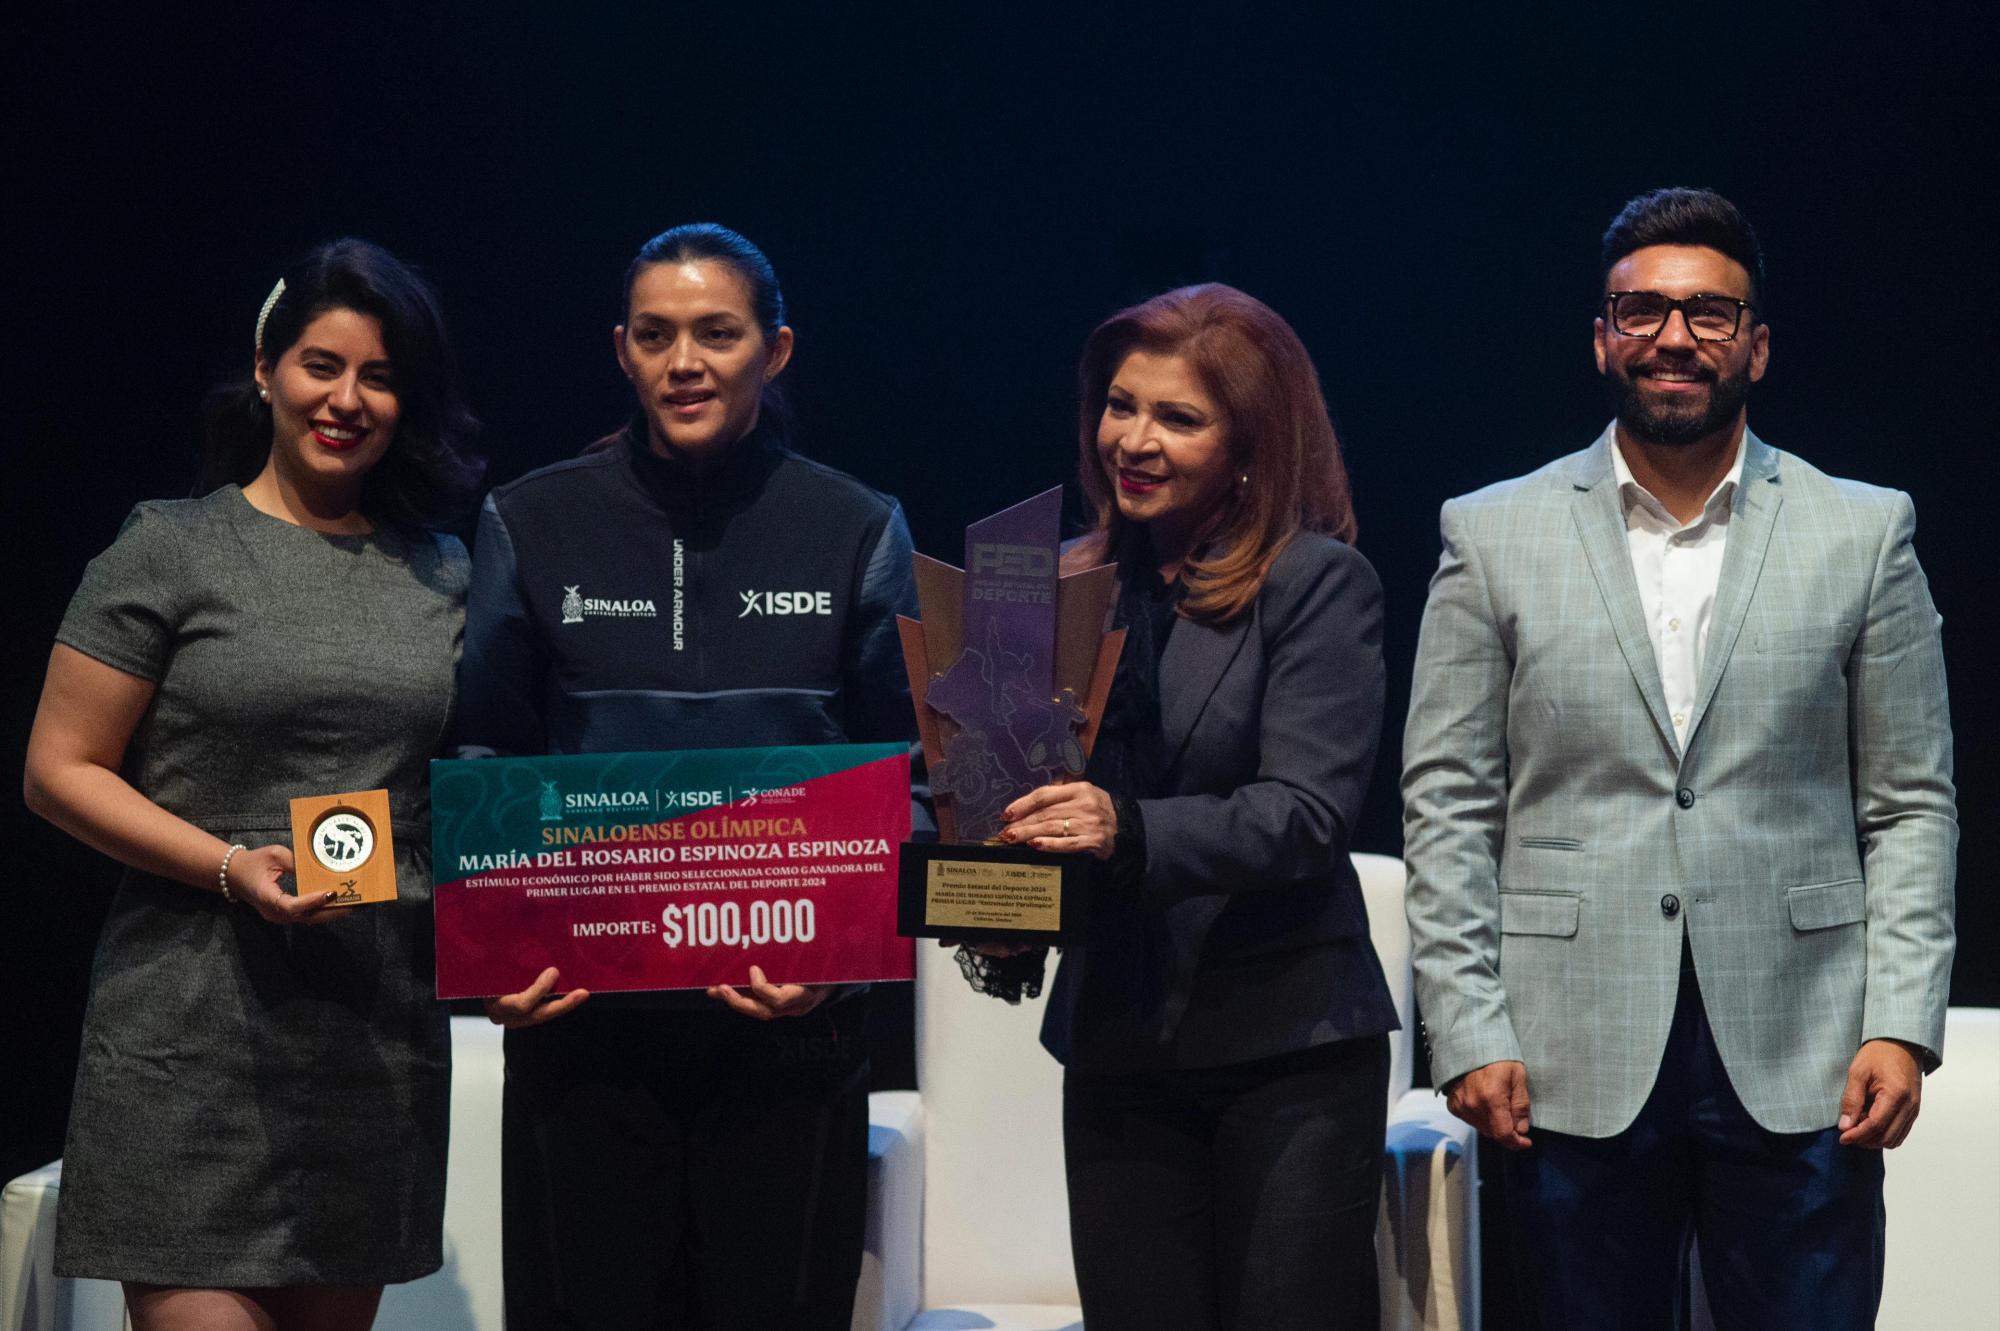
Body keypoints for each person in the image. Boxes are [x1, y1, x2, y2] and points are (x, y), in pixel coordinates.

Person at [1401, 187, 1957, 1329]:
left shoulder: (1862, 529)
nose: (1672, 337)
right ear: (1599, 335)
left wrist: (1899, 1018)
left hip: (1803, 1044)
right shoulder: (1490, 529)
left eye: (1708, 314)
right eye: (1640, 310)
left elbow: (1908, 802)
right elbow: (1449, 802)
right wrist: (1465, 1023)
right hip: (1560, 1047)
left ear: (1756, 344)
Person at [456, 222, 919, 1330]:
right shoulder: (530, 519)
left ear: (777, 347)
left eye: (717, 333)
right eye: (656, 335)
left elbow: (905, 776)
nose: (685, 361)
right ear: (621, 349)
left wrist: (836, 961)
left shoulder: (856, 526)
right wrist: (492, 960)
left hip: (788, 1028)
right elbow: (483, 753)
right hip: (582, 1031)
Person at [22, 239, 482, 1331]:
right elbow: (57, 770)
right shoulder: (171, 546)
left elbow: (476, 781)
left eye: (378, 375)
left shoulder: (447, 569)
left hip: (367, 1040)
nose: (347, 397)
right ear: (268, 369)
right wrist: (229, 864)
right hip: (191, 1037)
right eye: (322, 364)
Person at [962, 283, 1397, 1331]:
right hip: (1117, 1041)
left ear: (1250, 442)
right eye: (1120, 405)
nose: (1134, 439)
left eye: (1177, 417)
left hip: (1287, 1045)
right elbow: (1006, 808)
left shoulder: (1315, 583)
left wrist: (1126, 826)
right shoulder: (1047, 588)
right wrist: (994, 904)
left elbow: (1302, 812)